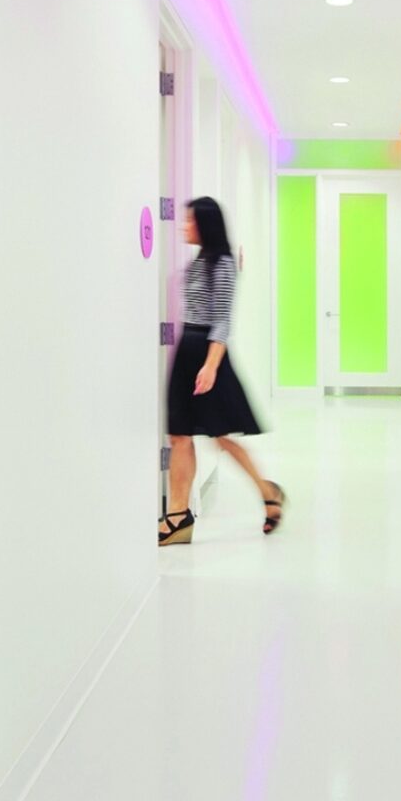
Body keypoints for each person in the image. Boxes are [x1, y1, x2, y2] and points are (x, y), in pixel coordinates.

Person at [159, 196, 283, 545]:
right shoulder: (200, 261)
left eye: (190, 221)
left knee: (222, 437)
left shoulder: (223, 264)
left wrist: (211, 366)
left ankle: (268, 493)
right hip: (187, 349)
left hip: (207, 353)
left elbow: (223, 320)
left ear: (205, 225)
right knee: (179, 434)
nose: (184, 226)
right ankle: (178, 517)